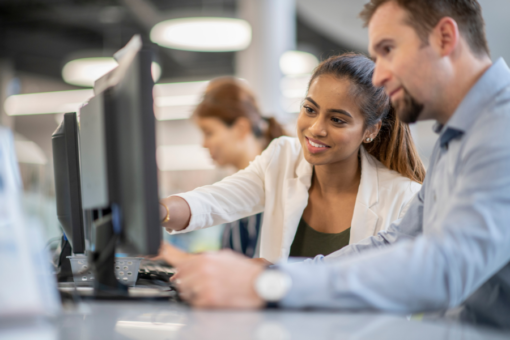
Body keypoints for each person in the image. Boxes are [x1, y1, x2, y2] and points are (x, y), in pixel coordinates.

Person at [168, 0, 510, 330]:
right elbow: (399, 241)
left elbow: (444, 268)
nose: (380, 76)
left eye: (389, 50)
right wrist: (277, 273)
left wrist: (273, 284)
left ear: (445, 38)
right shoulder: (460, 136)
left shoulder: (501, 131)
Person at [159, 53, 424, 266]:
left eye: (337, 120)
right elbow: (214, 201)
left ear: (370, 130)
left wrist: (271, 273)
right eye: (310, 109)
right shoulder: (283, 157)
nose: (316, 128)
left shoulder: (403, 198)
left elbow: (366, 279)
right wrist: (157, 212)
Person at [192, 77, 285, 257]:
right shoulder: (236, 188)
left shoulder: (272, 185)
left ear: (241, 128)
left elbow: (253, 268)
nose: (203, 144)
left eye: (209, 132)